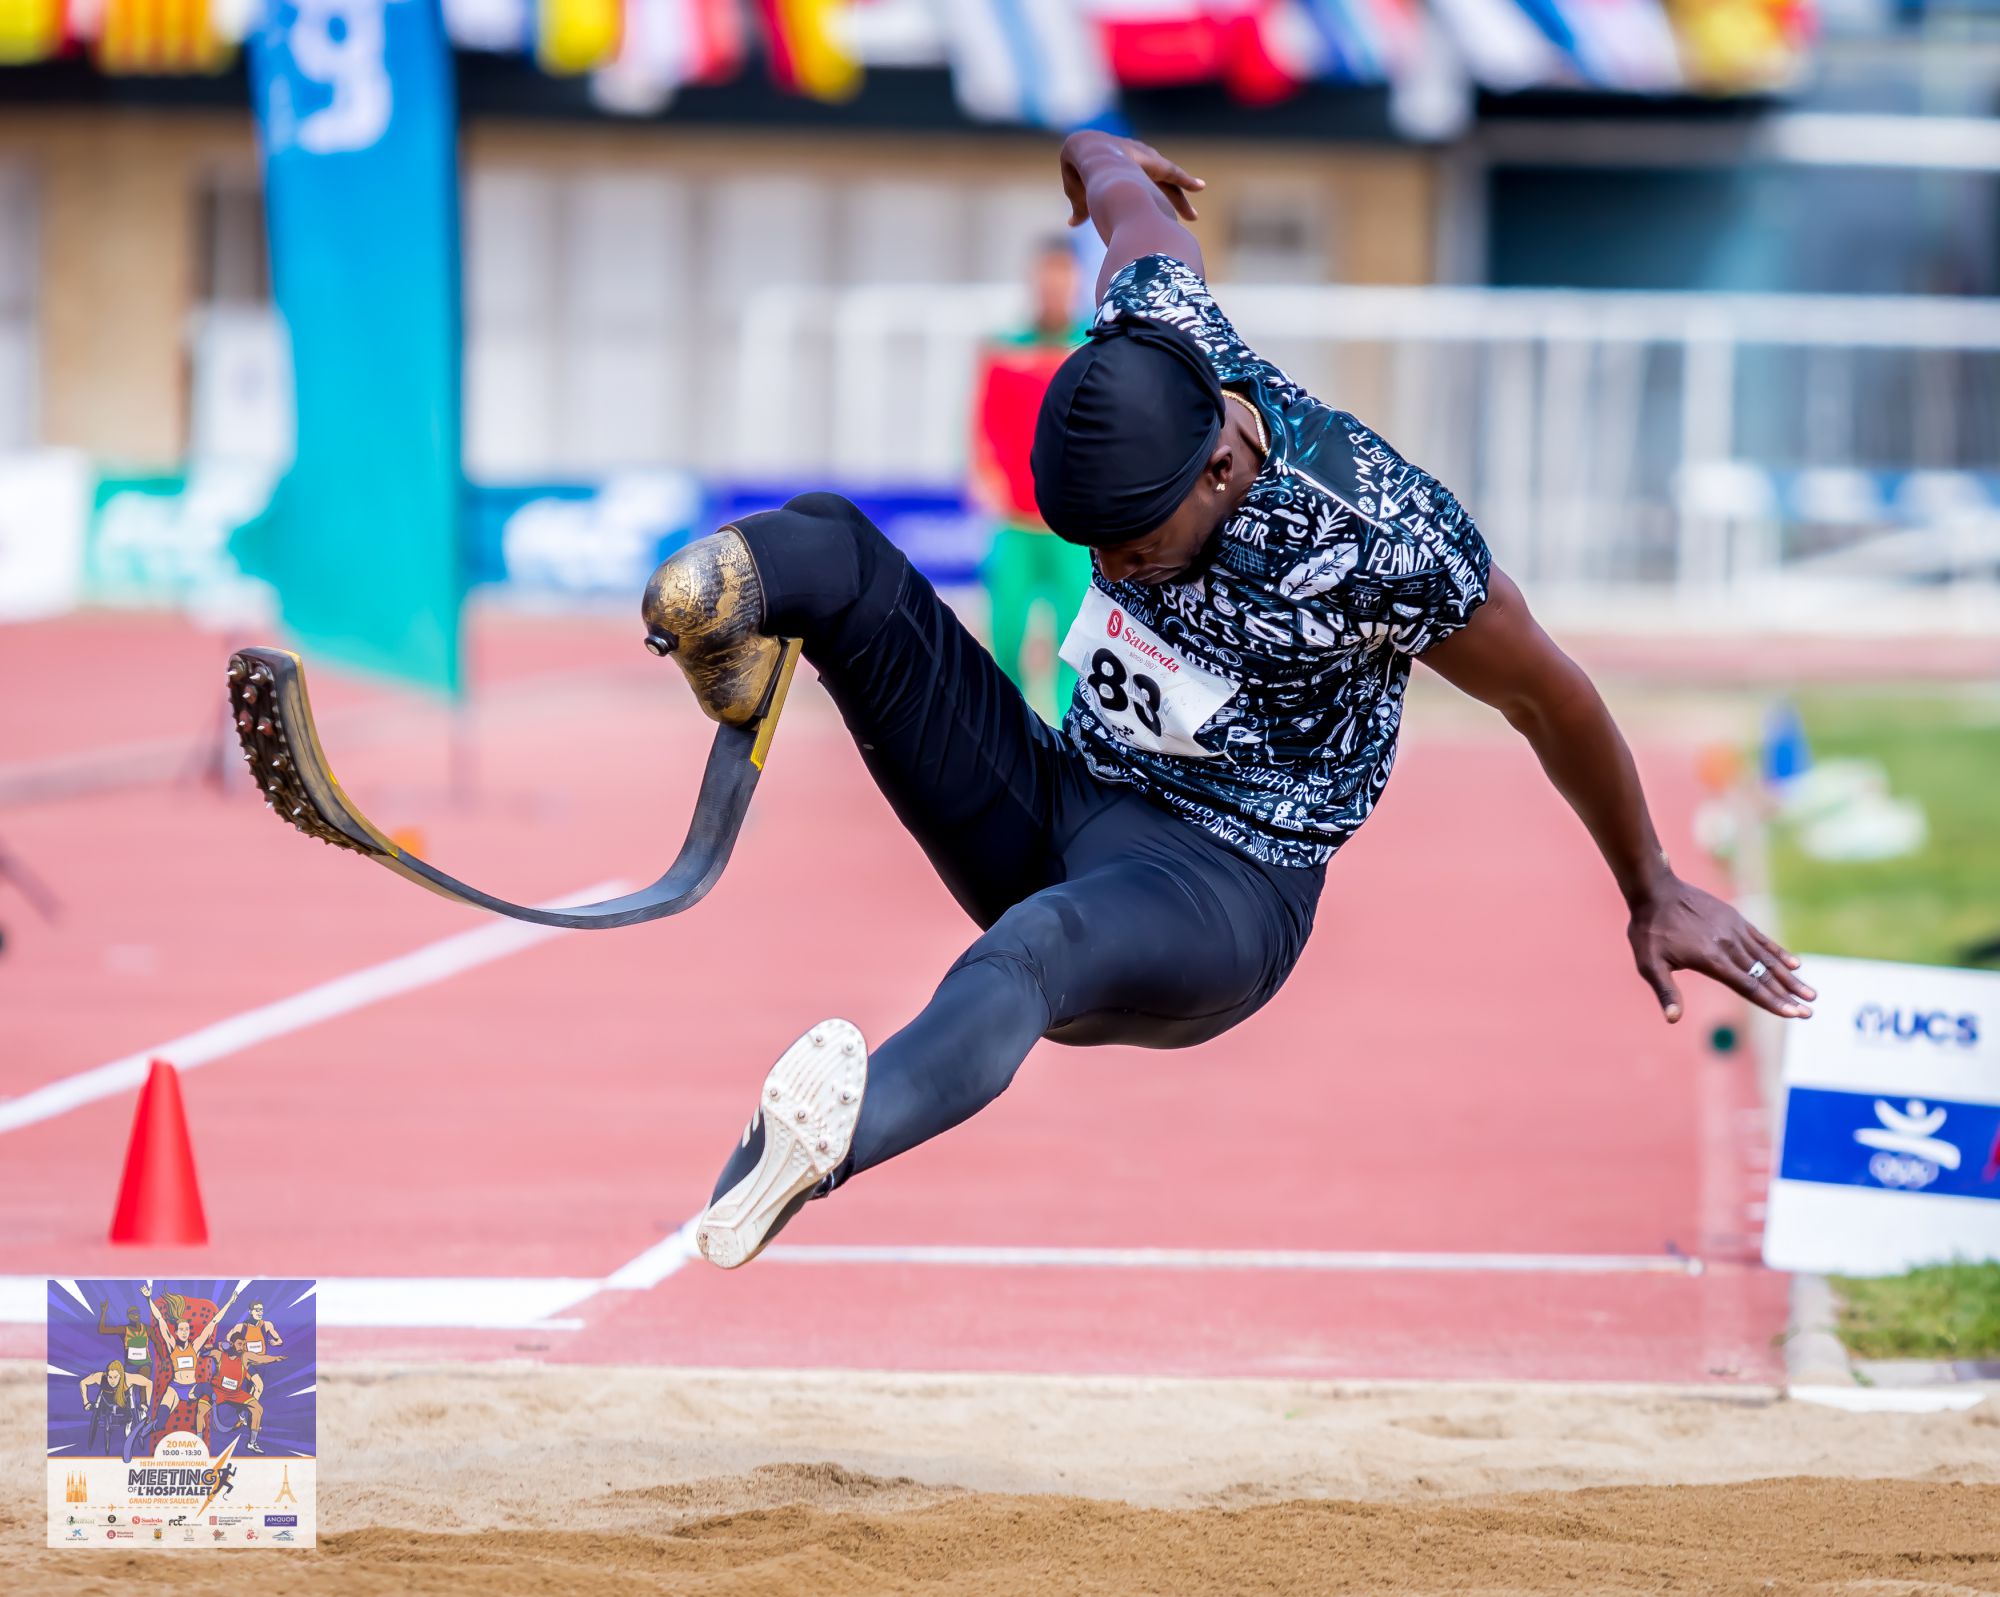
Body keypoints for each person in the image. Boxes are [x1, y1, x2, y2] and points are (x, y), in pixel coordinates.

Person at [640, 131, 1816, 1271]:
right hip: (1056, 792)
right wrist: (1093, 148)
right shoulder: (1155, 317)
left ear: (1217, 467)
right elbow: (1118, 190)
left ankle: (822, 1141)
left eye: (1137, 544)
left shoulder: (1386, 542)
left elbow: (1551, 702)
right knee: (829, 544)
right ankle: (707, 609)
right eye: (1093, 544)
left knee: (1035, 940)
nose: (1115, 568)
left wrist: (1649, 884)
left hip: (1221, 888)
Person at [971, 236, 1095, 721]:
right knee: (1005, 634)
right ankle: (1014, 733)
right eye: (1046, 275)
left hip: (1075, 530)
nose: (1053, 287)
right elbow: (984, 427)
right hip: (1016, 524)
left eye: (1063, 277)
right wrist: (984, 476)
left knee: (1078, 645)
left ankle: (1071, 736)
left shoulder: (1095, 346)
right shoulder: (1004, 350)